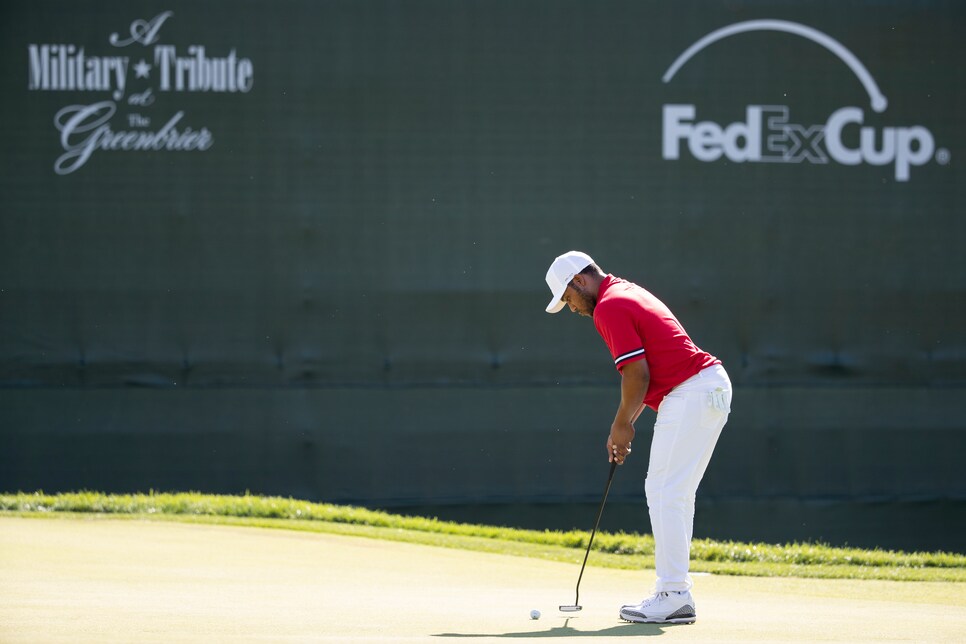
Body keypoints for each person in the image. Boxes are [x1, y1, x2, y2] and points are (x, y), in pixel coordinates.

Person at [544, 250, 732, 625]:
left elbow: (636, 374)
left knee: (663, 491)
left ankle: (674, 593)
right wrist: (626, 422)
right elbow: (649, 370)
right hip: (708, 390)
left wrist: (621, 425)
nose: (573, 309)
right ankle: (675, 591)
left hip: (691, 392)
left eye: (568, 298)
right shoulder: (623, 291)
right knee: (674, 493)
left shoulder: (608, 307)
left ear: (580, 281)